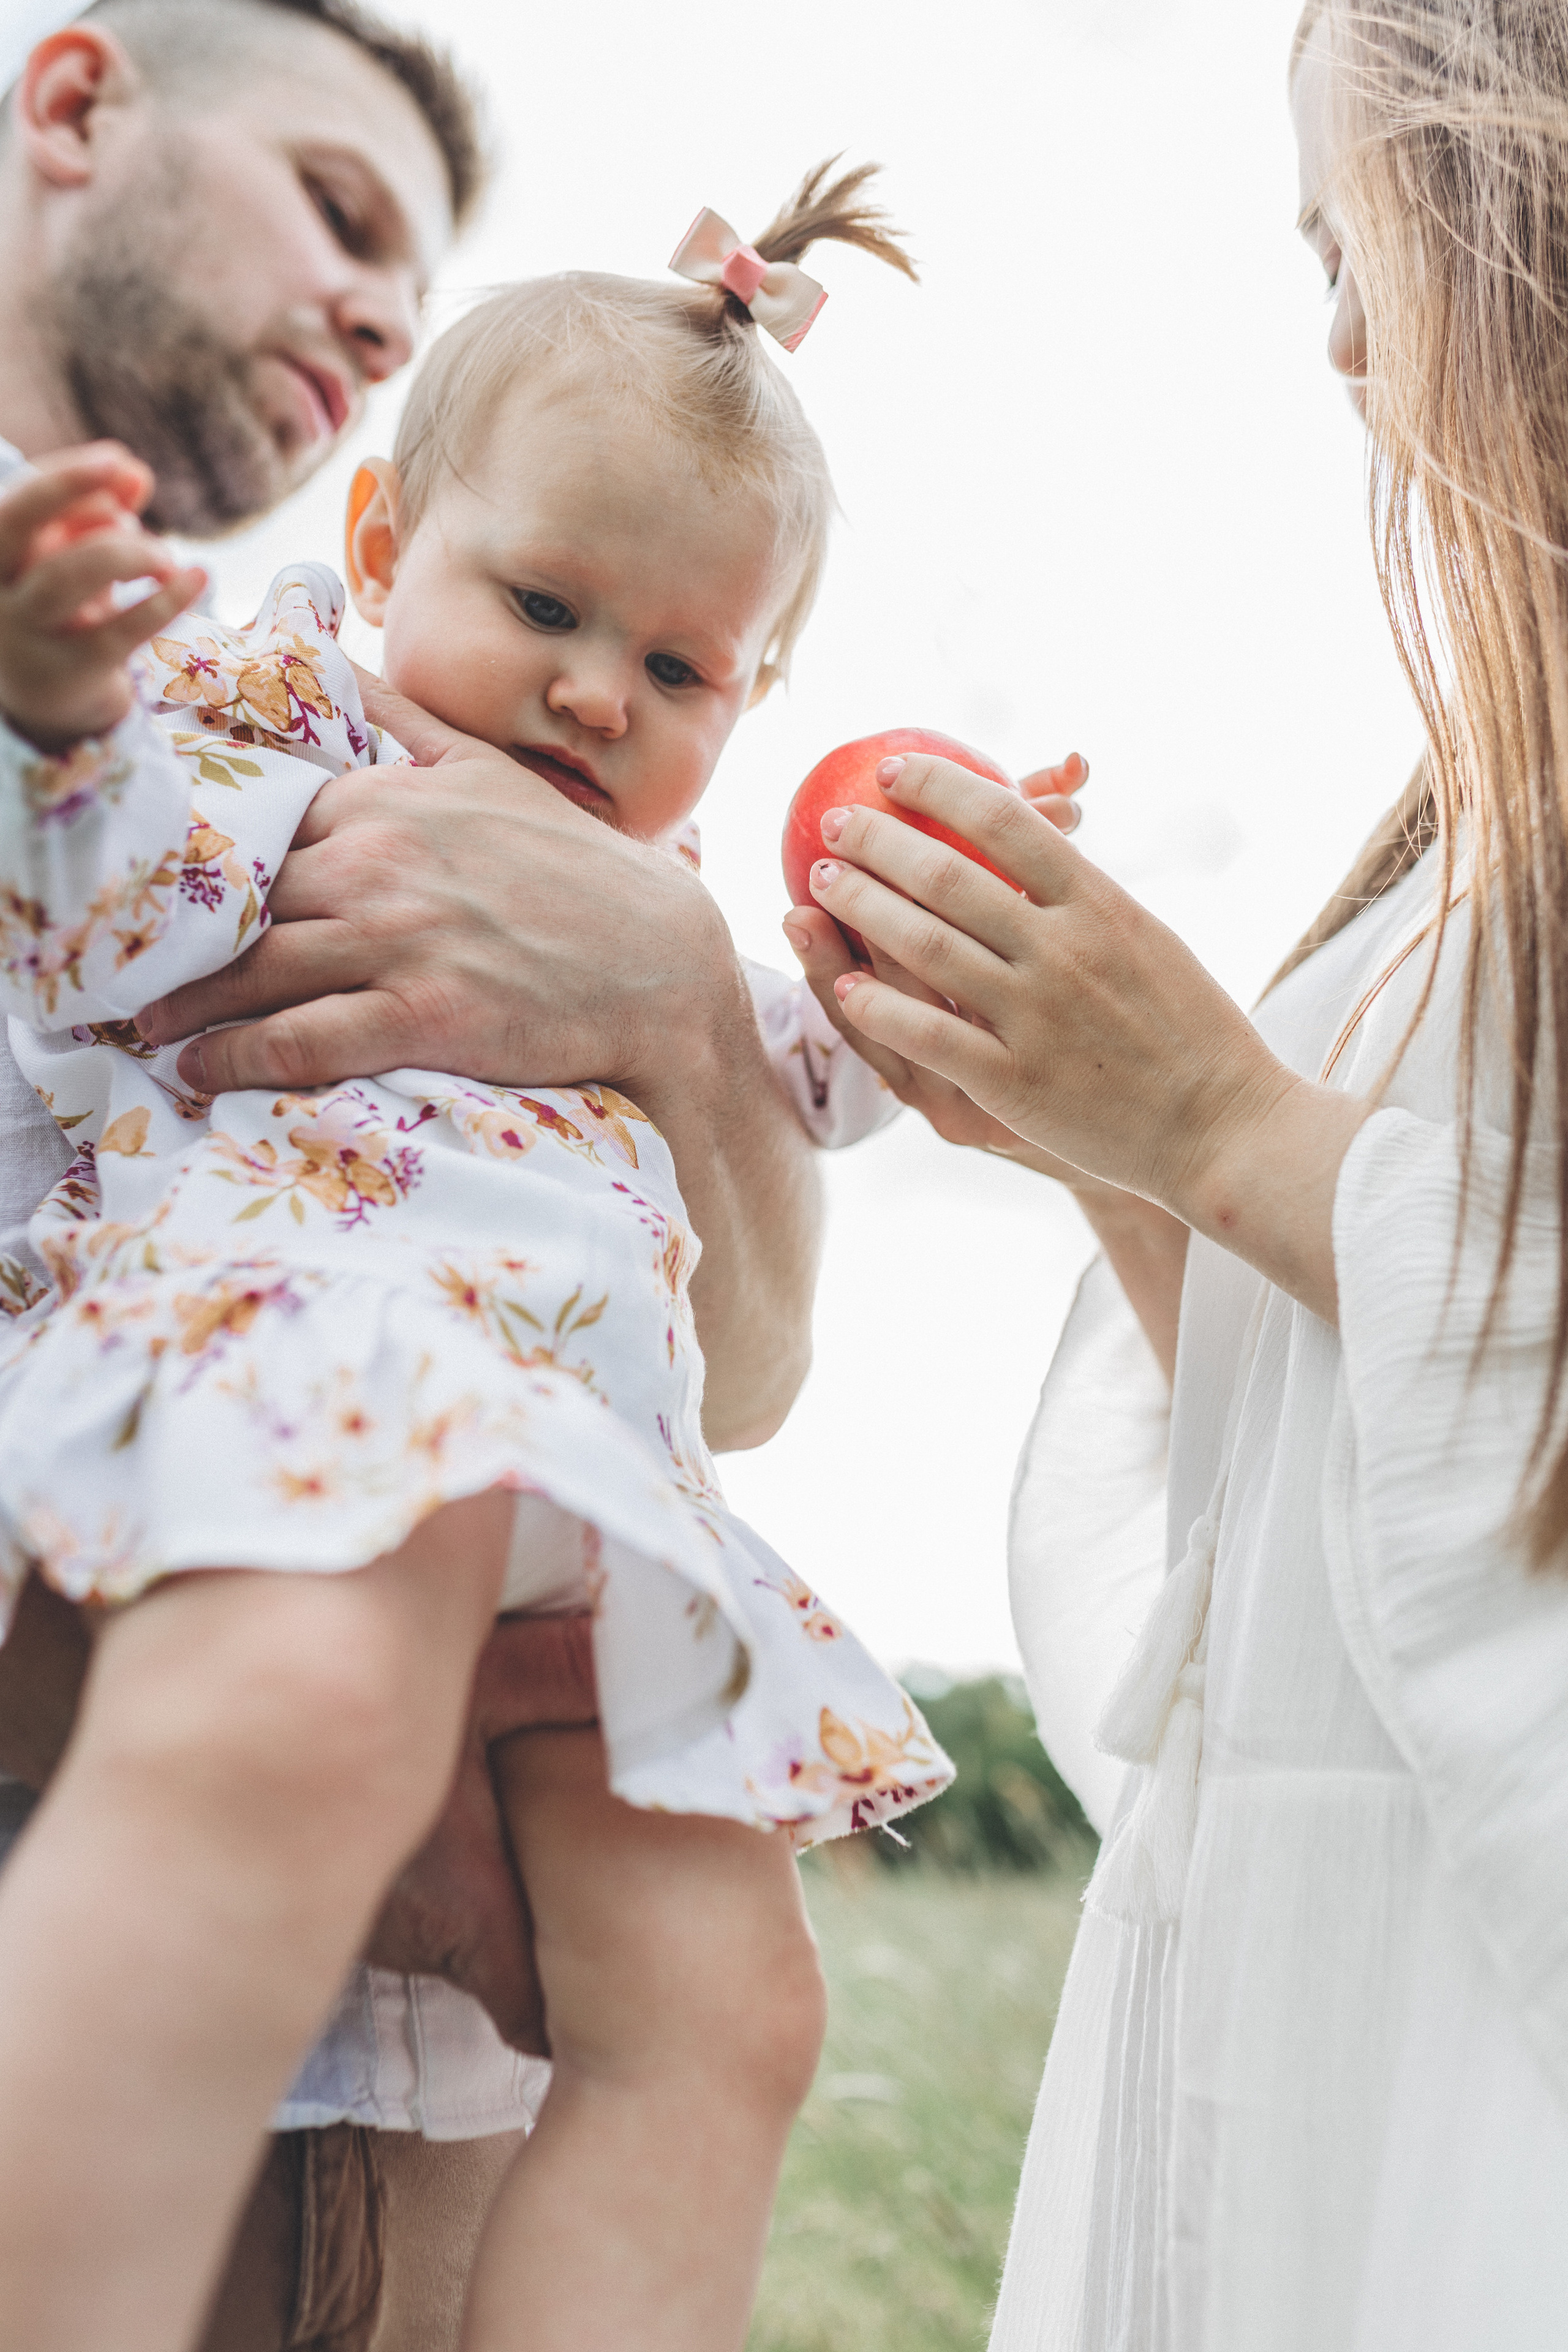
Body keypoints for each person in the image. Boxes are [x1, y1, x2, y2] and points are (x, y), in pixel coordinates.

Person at [0, 165, 959, 2352]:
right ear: (376, 554)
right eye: (544, 604)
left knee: (726, 2008)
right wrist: (56, 725)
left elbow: (806, 1080)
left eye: (683, 662)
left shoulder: (665, 894)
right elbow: (97, 915)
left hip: (594, 1495)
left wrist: (911, 942)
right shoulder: (286, 742)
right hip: (330, 1366)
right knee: (285, 1738)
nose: (600, 694)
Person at [783, 1, 1568, 2345]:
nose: (1334, 339)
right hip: (1301, 1993)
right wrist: (1125, 1163)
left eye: (1360, 241)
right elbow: (1326, 1503)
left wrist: (1231, 1122)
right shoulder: (1466, 834)